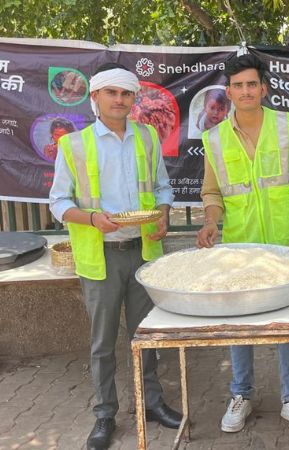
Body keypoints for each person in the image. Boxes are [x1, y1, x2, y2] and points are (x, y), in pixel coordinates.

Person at [48, 63, 180, 450]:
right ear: (96, 98)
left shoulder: (147, 137)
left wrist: (164, 215)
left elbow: (162, 188)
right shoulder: (74, 144)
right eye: (111, 93)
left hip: (143, 252)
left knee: (146, 336)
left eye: (126, 94)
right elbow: (58, 202)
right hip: (100, 256)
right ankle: (105, 413)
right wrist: (91, 218)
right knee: (102, 342)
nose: (120, 100)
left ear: (134, 99)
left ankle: (152, 403)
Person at [196, 53, 289, 435]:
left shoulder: (285, 126)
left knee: (286, 325)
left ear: (263, 88)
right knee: (240, 322)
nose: (246, 91)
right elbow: (212, 193)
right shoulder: (213, 138)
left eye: (252, 84)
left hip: (282, 246)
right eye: (238, 85)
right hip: (238, 249)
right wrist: (211, 223)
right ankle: (241, 395)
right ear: (228, 91)